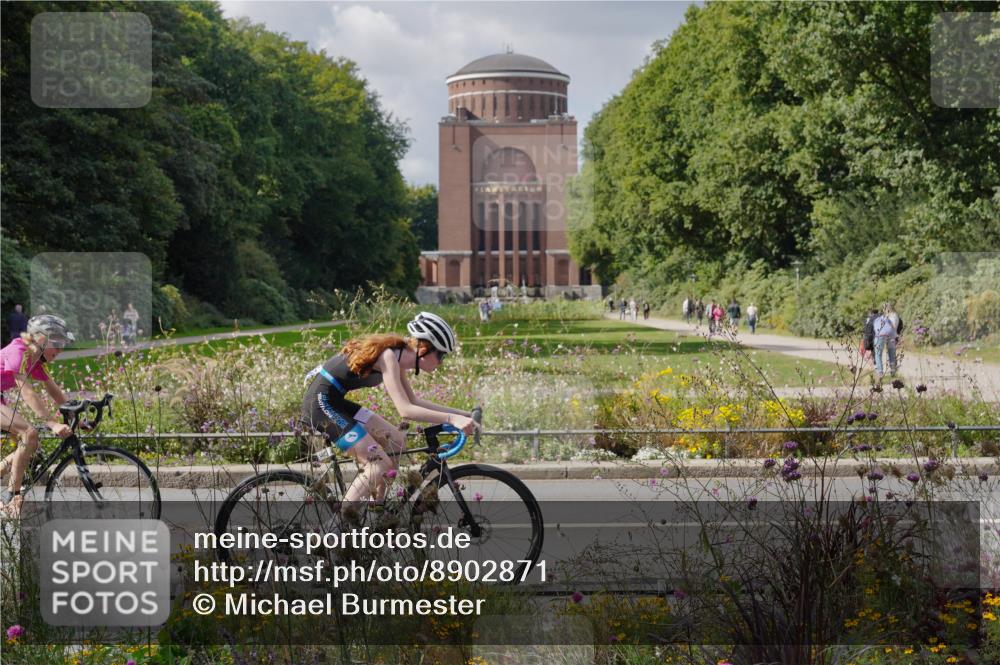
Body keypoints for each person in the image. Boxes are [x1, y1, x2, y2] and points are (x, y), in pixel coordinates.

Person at [301, 312, 477, 508]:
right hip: (321, 405)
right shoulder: (389, 356)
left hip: (335, 400)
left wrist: (462, 415)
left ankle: (376, 507)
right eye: (441, 355)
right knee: (378, 464)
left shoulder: (399, 356)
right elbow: (406, 410)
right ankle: (338, 525)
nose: (442, 361)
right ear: (424, 349)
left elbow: (414, 400)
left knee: (396, 441)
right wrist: (453, 419)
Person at [0, 315, 75, 517]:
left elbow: (54, 391)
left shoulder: (36, 360)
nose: (60, 351)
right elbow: (27, 392)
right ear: (41, 340)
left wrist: (76, 413)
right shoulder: (19, 351)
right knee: (29, 434)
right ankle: (11, 498)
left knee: (33, 445)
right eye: (57, 344)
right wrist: (52, 423)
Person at [871, 306, 898, 378]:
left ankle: (880, 372)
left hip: (881, 336)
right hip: (891, 335)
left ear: (885, 309)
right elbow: (894, 327)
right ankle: (893, 371)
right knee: (891, 353)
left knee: (878, 354)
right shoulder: (894, 316)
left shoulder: (885, 317)